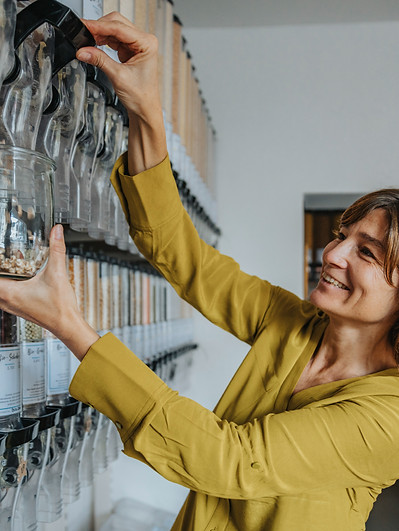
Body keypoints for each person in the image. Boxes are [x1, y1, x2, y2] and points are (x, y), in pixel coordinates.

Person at [1, 12, 399, 531]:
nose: (333, 254)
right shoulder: (296, 325)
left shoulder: (388, 417)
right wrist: (146, 109)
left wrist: (69, 325)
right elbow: (185, 258)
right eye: (342, 234)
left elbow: (230, 460)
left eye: (366, 253)